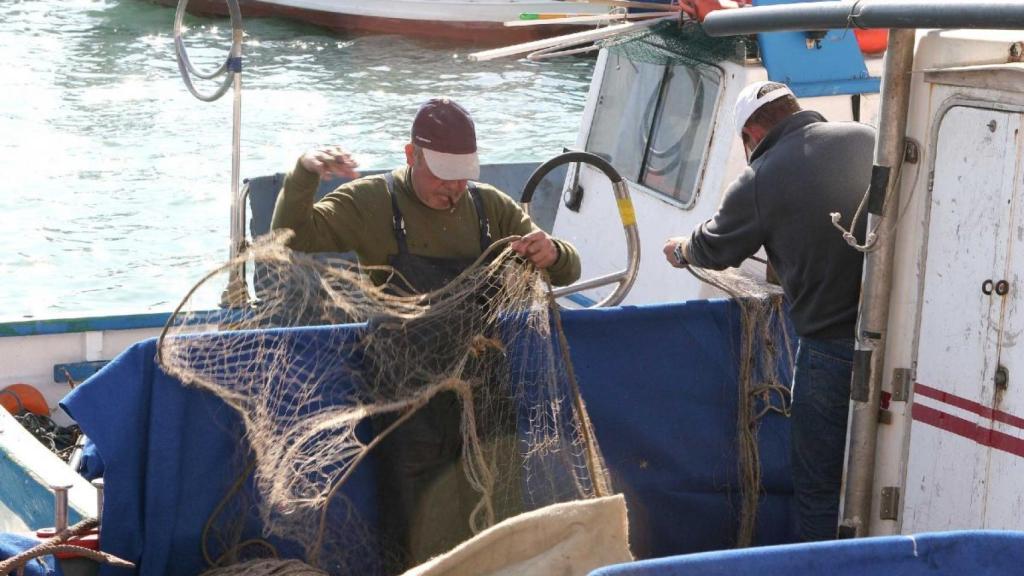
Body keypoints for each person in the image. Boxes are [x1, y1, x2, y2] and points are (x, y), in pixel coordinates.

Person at [271, 97, 582, 572]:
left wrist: (552, 251)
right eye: (442, 174)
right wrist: (303, 174)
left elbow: (568, 269)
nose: (454, 188)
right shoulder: (371, 203)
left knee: (500, 507)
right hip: (407, 396)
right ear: (410, 155)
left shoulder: (490, 208)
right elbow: (293, 237)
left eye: (463, 176)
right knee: (416, 523)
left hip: (484, 389)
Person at [662, 81, 875, 541]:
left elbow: (712, 249)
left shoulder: (761, 176)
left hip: (830, 352)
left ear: (751, 135)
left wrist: (680, 249)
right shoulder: (866, 136)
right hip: (896, 340)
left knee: (818, 489)